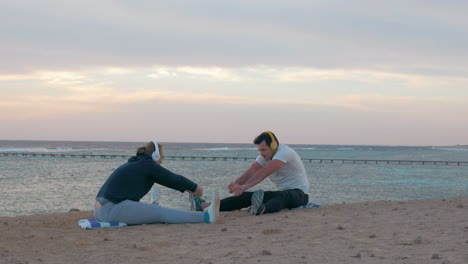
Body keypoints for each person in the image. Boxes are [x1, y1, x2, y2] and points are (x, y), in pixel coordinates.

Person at [94, 141, 220, 225]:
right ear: (155, 155)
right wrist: (196, 188)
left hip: (102, 210)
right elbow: (174, 179)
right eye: (162, 157)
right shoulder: (147, 165)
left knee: (154, 211)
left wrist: (188, 189)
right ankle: (207, 217)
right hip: (110, 211)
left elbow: (174, 181)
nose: (162, 161)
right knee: (161, 213)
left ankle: (153, 206)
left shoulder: (137, 163)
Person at [202, 131, 309, 215]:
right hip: (280, 193)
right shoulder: (264, 156)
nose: (261, 153)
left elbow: (263, 173)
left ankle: (262, 209)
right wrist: (237, 184)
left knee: (284, 197)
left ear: (273, 146)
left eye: (263, 150)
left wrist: (243, 187)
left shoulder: (284, 152)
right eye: (259, 150)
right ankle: (209, 206)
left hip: (299, 194)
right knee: (248, 196)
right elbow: (251, 172)